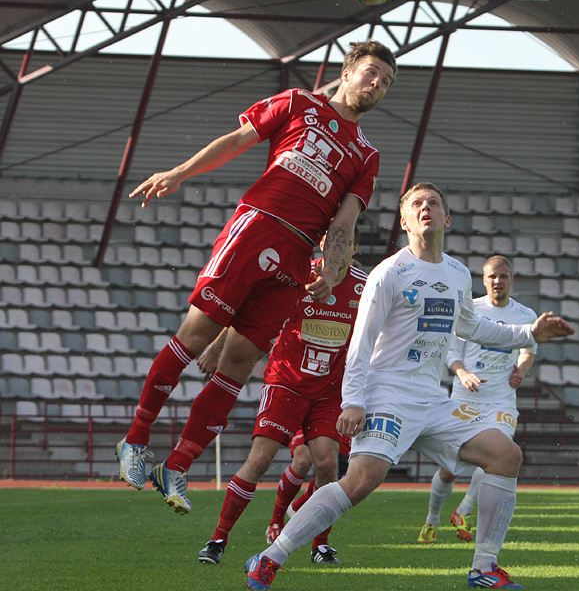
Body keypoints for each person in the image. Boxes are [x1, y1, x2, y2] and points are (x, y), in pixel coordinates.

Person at [242, 182, 575, 590]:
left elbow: (472, 327)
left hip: (432, 398)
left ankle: (484, 569)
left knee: (506, 456)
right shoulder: (389, 274)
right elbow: (361, 343)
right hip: (387, 394)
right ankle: (269, 558)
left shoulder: (456, 273)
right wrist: (353, 400)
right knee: (361, 481)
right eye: (416, 204)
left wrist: (529, 334)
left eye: (433, 203)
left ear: (446, 219)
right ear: (404, 221)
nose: (426, 208)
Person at [114, 41, 396, 514]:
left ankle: (176, 467)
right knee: (196, 334)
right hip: (256, 227)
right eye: (371, 73)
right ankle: (136, 442)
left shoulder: (367, 154)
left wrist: (332, 269)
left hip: (296, 257)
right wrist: (180, 172)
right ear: (346, 73)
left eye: (385, 82)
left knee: (240, 362)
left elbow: (344, 223)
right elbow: (237, 140)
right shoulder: (296, 102)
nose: (376, 84)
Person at [196, 226, 364, 565]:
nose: (338, 249)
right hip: (286, 382)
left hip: (331, 391)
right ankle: (218, 538)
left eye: (345, 243)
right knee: (258, 462)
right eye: (332, 243)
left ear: (354, 247)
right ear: (321, 244)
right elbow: (252, 314)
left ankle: (320, 545)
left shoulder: (366, 286)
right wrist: (216, 348)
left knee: (327, 465)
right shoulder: (301, 276)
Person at [416, 255, 537, 545]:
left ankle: (463, 510)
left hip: (501, 400)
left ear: (511, 279)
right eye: (492, 276)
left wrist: (521, 370)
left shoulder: (525, 315)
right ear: (483, 280)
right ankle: (432, 519)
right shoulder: (470, 310)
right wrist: (463, 373)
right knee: (449, 470)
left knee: (501, 454)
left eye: (503, 276)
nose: (498, 281)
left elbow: (529, 349)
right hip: (465, 397)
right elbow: (451, 351)